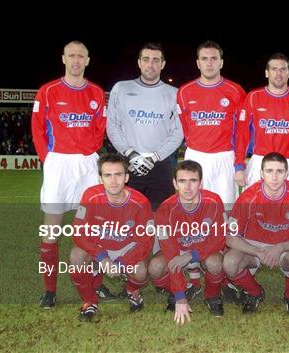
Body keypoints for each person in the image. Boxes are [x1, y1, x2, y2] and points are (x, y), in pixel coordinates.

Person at [31, 40, 107, 308]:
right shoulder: (48, 91)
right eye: (71, 56)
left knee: (93, 228)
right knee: (51, 229)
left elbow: (100, 128)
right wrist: (48, 158)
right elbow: (38, 128)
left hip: (87, 164)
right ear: (63, 59)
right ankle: (49, 291)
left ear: (88, 60)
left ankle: (97, 285)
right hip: (58, 163)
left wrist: (89, 151)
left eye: (81, 56)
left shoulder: (97, 93)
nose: (76, 60)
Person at [176, 41, 246, 304]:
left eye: (214, 58)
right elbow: (184, 127)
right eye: (204, 58)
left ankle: (224, 277)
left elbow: (241, 134)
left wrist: (239, 164)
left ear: (221, 62)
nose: (209, 63)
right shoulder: (184, 92)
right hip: (196, 156)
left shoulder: (235, 91)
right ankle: (194, 278)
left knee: (225, 215)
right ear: (197, 63)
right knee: (191, 214)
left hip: (224, 158)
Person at [224, 152, 289, 315]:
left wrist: (280, 247)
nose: (274, 177)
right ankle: (255, 293)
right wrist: (258, 251)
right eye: (269, 171)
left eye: (279, 171)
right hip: (254, 246)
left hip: (286, 246)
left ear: (287, 174)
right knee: (230, 263)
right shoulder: (248, 197)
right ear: (261, 173)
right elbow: (230, 238)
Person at [69, 154, 154, 321]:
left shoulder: (141, 202)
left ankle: (132, 290)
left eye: (118, 174)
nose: (113, 180)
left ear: (127, 177)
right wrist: (102, 258)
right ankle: (89, 301)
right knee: (76, 256)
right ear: (100, 178)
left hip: (127, 247)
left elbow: (146, 241)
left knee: (141, 271)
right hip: (100, 246)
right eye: (108, 175)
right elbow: (79, 233)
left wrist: (123, 262)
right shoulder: (91, 196)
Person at [106, 42, 184, 211]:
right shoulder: (121, 88)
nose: (151, 64)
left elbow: (178, 132)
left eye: (156, 60)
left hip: (161, 165)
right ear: (139, 62)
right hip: (128, 163)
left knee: (161, 216)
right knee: (127, 215)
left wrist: (154, 157)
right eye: (146, 59)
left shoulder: (175, 93)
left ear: (162, 64)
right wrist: (131, 154)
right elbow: (112, 126)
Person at [151, 160, 227, 324]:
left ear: (200, 182)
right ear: (174, 183)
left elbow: (218, 239)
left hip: (204, 252)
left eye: (193, 181)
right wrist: (180, 297)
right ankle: (181, 289)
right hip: (178, 252)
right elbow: (170, 252)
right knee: (155, 268)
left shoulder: (214, 202)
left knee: (215, 263)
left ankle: (212, 296)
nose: (187, 187)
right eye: (182, 181)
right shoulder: (164, 210)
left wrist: (192, 255)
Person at [234, 53, 289, 189]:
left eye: (283, 69)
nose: (278, 73)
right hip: (259, 161)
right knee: (254, 208)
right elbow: (242, 134)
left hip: (288, 162)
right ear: (266, 73)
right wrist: (239, 166)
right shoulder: (253, 97)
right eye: (274, 69)